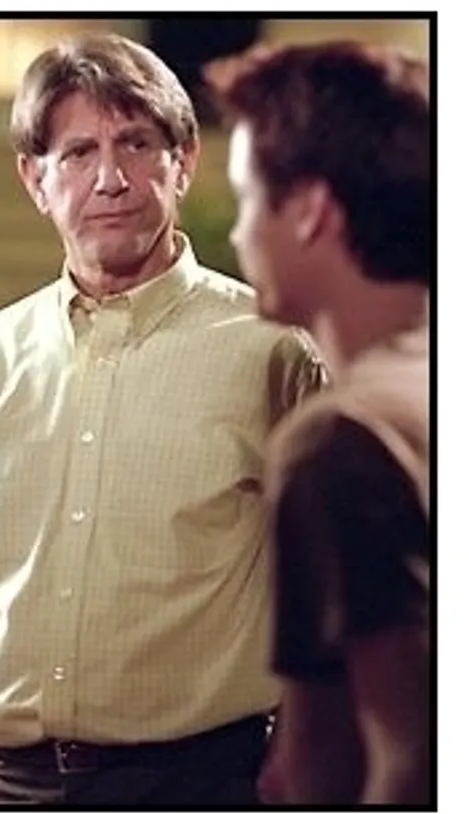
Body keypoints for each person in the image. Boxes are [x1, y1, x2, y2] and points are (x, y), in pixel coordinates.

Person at [0, 33, 327, 806]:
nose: (111, 179)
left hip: (200, 784)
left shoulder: (273, 351)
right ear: (36, 179)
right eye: (78, 153)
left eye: (136, 144)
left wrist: (288, 772)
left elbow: (331, 593)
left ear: (183, 161)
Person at [204, 40, 431, 805]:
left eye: (247, 199)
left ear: (310, 211)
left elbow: (397, 762)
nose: (238, 234)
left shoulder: (345, 441)